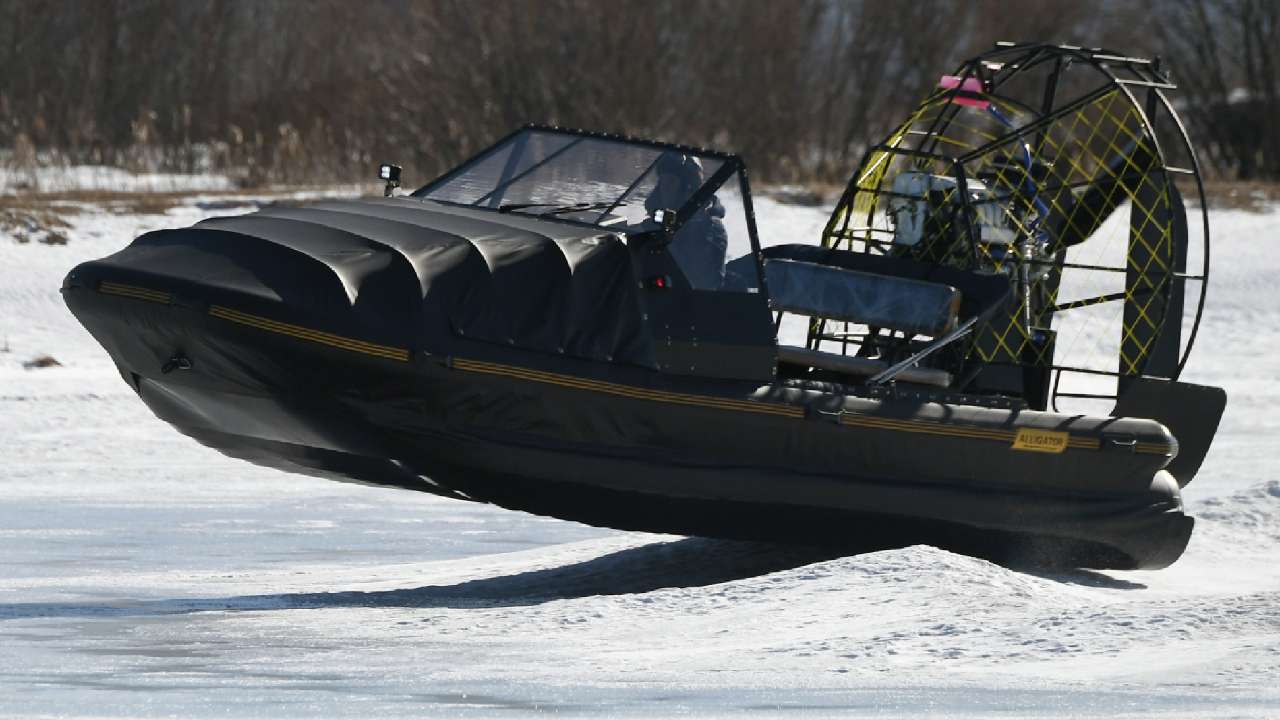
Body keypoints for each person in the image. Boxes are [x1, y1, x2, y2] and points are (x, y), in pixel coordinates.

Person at [645, 152, 728, 289]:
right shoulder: (658, 221)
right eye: (662, 181)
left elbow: (704, 283)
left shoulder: (710, 229)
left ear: (687, 188)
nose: (664, 188)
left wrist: (668, 241)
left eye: (671, 182)